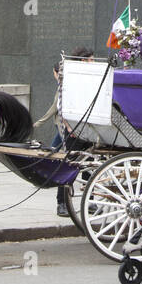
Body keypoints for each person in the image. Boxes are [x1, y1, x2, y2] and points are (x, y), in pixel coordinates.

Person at [53, 46, 95, 218]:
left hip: (89, 129)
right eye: (91, 59)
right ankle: (61, 203)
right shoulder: (70, 80)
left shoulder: (92, 79)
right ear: (83, 61)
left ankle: (90, 201)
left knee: (90, 167)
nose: (93, 62)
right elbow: (61, 106)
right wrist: (70, 128)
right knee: (68, 167)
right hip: (74, 131)